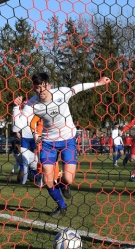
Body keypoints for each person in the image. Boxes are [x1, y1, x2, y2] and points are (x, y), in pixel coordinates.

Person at [13, 72, 111, 217]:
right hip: (48, 142)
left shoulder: (61, 93)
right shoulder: (31, 104)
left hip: (67, 140)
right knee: (47, 179)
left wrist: (98, 83)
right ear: (33, 88)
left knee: (68, 178)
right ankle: (61, 206)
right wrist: (16, 107)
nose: (41, 90)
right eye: (37, 87)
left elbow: (77, 88)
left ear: (49, 86)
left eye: (44, 86)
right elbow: (17, 126)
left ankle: (64, 186)